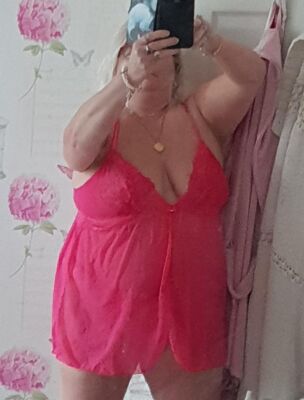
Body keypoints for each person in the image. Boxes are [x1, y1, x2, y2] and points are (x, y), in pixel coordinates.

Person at [51, 15, 266, 400]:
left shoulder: (200, 116)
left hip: (191, 308)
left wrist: (210, 41)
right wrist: (126, 80)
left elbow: (251, 77)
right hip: (100, 306)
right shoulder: (105, 124)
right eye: (134, 50)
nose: (147, 57)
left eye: (160, 50)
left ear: (177, 64)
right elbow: (75, 149)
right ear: (118, 61)